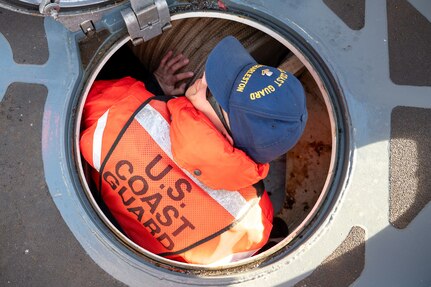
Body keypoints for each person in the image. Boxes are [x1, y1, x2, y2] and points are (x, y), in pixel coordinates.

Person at [80, 36, 307, 265]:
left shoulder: (117, 104)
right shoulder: (255, 228)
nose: (203, 78)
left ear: (227, 136)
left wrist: (152, 87)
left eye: (212, 92)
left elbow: (76, 108)